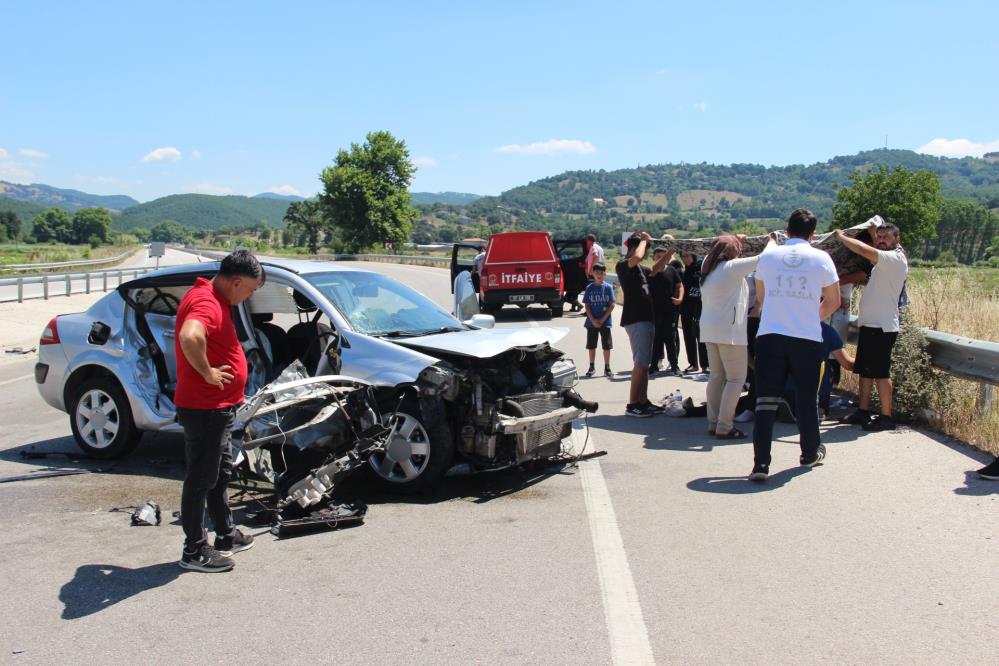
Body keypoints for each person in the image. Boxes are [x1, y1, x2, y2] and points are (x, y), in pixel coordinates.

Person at [175, 249, 265, 572]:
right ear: (237, 282)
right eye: (251, 290)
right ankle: (195, 550)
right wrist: (208, 373)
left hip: (219, 409)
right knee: (201, 478)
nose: (251, 296)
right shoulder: (207, 303)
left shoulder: (215, 298)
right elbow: (189, 336)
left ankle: (225, 534)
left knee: (219, 473)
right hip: (205, 409)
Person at [749, 209, 840, 482]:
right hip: (807, 338)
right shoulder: (822, 258)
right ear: (812, 234)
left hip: (771, 334)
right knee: (806, 398)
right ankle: (809, 452)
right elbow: (834, 301)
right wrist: (812, 317)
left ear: (787, 231)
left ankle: (761, 464)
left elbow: (762, 297)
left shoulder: (768, 256)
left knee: (765, 401)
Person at [835, 217, 908, 431]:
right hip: (869, 324)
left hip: (883, 327)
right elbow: (875, 244)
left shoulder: (894, 258)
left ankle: (886, 417)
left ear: (897, 239)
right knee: (865, 370)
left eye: (887, 237)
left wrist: (841, 236)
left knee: (881, 373)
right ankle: (863, 411)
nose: (882, 240)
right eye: (879, 237)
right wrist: (876, 227)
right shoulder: (886, 259)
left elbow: (865, 251)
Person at [699, 234, 772, 439]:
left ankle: (713, 423)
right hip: (729, 332)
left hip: (709, 330)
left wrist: (734, 239)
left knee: (716, 377)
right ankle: (725, 425)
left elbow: (722, 248)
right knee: (736, 379)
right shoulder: (731, 268)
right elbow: (763, 258)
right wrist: (772, 241)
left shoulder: (709, 266)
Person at [616, 232, 670, 417]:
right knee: (640, 363)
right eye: (644, 249)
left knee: (645, 364)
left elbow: (656, 269)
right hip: (636, 319)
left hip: (646, 318)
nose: (646, 253)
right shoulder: (623, 265)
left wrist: (671, 251)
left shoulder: (640, 269)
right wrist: (645, 241)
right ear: (633, 247)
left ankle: (643, 401)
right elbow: (637, 256)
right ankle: (632, 404)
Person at [648, 246, 684, 375]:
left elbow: (680, 285)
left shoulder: (672, 270)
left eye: (664, 257)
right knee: (658, 338)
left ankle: (674, 366)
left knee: (670, 338)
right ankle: (653, 366)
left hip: (671, 310)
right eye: (659, 256)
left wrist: (680, 298)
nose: (662, 259)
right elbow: (657, 267)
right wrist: (669, 252)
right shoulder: (652, 270)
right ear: (654, 257)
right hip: (657, 309)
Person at [582, 263, 615, 377]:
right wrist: (593, 320)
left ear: (605, 274)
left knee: (606, 345)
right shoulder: (589, 288)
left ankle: (607, 367)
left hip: (605, 322)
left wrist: (602, 319)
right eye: (597, 273)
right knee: (591, 345)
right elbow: (587, 306)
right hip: (591, 323)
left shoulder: (608, 287)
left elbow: (612, 305)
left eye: (601, 273)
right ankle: (591, 366)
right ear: (593, 273)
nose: (599, 275)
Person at [680, 252, 709, 374]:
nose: (685, 259)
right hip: (686, 307)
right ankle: (693, 363)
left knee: (701, 336)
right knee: (688, 335)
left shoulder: (702, 268)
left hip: (700, 306)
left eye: (687, 256)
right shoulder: (684, 271)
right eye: (683, 257)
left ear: (693, 256)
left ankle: (705, 364)